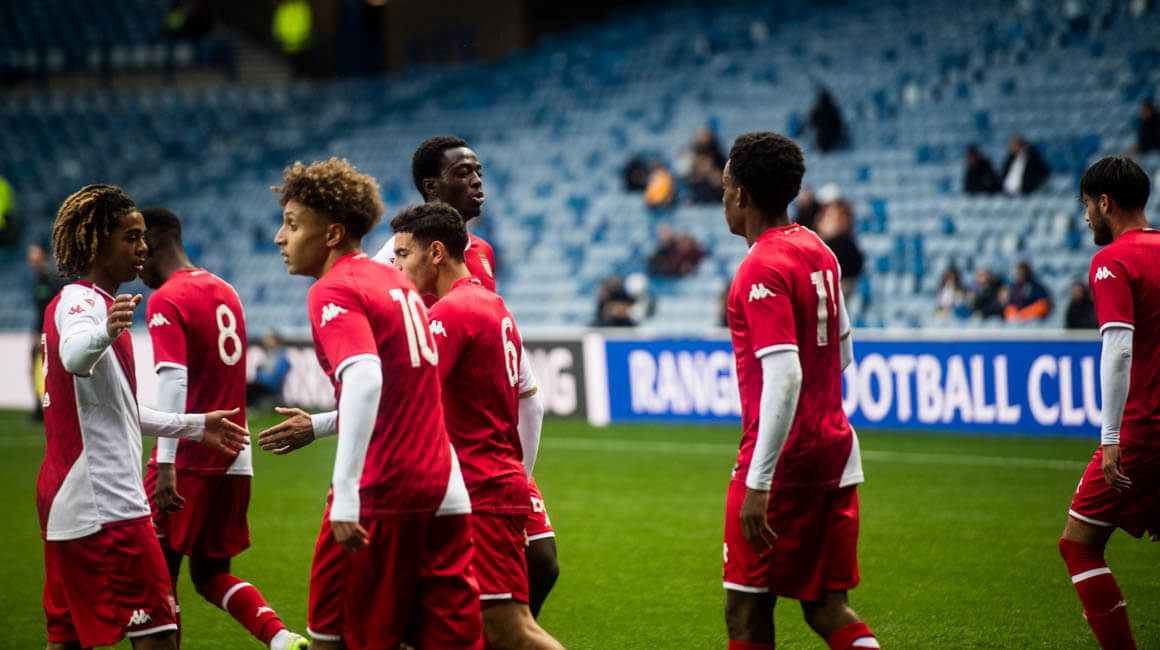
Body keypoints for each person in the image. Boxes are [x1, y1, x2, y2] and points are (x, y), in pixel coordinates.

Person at [268, 158, 481, 649]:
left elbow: (365, 379)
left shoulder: (334, 288)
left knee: (341, 638)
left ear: (332, 234)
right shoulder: (397, 281)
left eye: (293, 225)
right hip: (444, 486)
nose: (280, 238)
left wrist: (346, 496)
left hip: (383, 491)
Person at [40, 184, 249, 650]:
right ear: (98, 242)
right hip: (107, 504)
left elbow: (122, 411)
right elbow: (74, 355)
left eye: (143, 237)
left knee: (66, 639)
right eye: (131, 237)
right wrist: (103, 331)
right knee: (159, 634)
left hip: (69, 499)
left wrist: (196, 425)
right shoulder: (84, 304)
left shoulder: (86, 302)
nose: (143, 248)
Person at [372, 135, 559, 618]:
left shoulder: (482, 253)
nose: (477, 180)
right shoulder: (392, 258)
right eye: (463, 172)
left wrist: (519, 477)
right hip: (434, 444)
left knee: (541, 563)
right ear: (432, 186)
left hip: (486, 448)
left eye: (479, 171)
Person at [720, 132, 878, 650]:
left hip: (783, 462)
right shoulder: (818, 249)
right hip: (836, 449)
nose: (723, 198)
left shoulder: (760, 266)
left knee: (746, 610)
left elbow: (785, 376)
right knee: (827, 606)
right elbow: (844, 351)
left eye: (725, 186)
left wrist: (759, 481)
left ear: (741, 194)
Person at [137, 206, 307, 650]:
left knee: (156, 577)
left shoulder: (167, 298)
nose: (136, 264)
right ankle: (280, 638)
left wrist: (167, 463)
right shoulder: (225, 289)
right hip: (236, 456)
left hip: (188, 458)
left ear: (151, 244)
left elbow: (174, 379)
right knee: (211, 574)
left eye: (137, 247)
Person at [1058, 156, 1159, 650]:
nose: (1085, 217)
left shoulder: (1113, 261)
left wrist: (1112, 438)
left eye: (1086, 206)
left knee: (1078, 545)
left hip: (1144, 429)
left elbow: (1118, 349)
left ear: (1104, 203)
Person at [28, 242, 67, 421]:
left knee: (44, 370)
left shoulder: (51, 279)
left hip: (48, 333)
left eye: (34, 253)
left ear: (43, 255)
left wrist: (43, 332)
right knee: (36, 369)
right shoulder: (39, 279)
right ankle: (40, 407)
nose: (31, 257)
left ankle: (46, 407)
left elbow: (51, 309)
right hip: (41, 332)